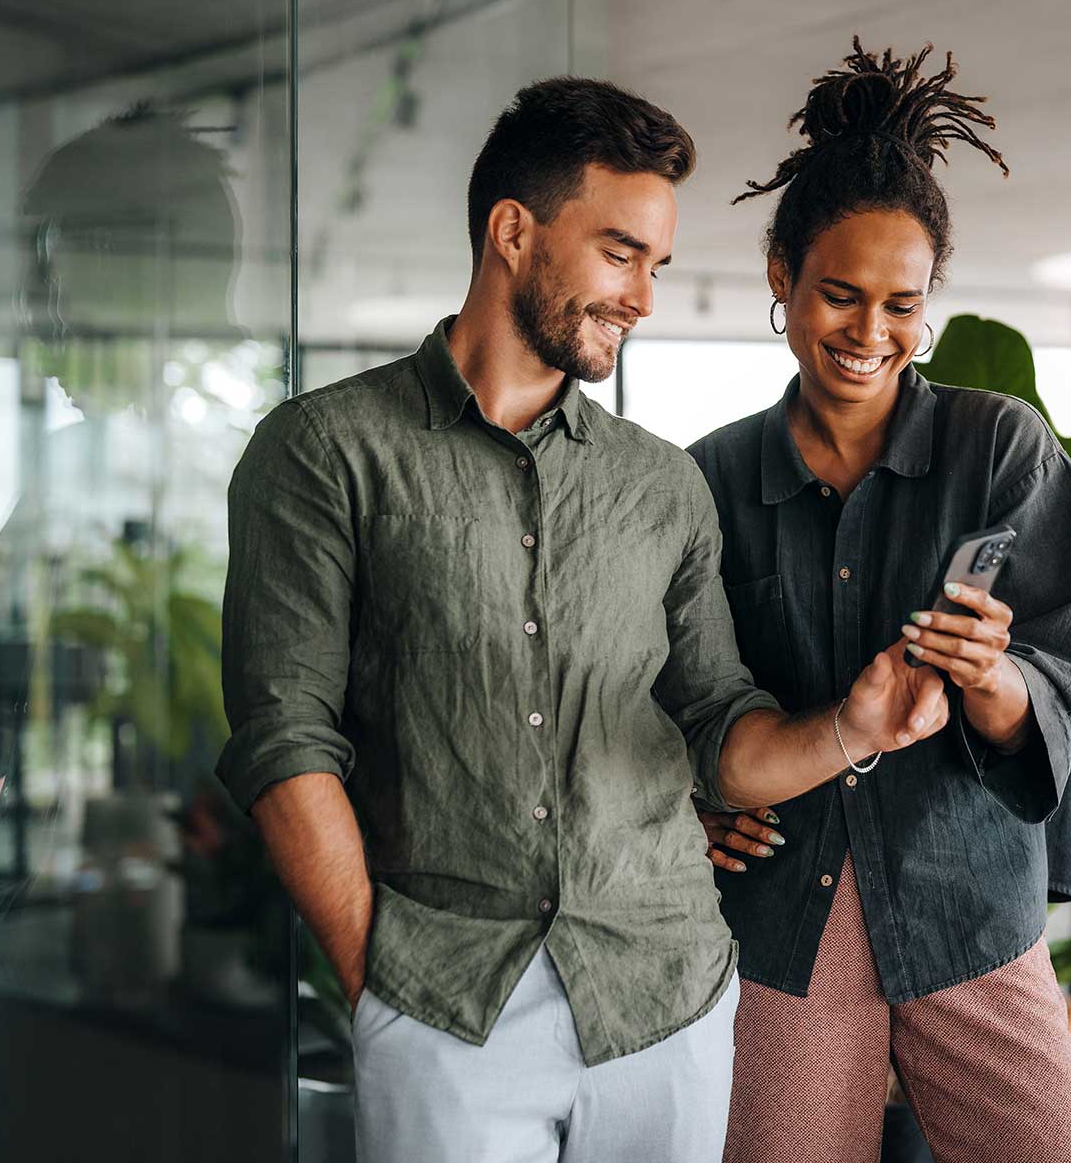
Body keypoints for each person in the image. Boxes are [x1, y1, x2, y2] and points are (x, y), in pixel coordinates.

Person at [215, 77, 952, 1163]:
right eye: (620, 254)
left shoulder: (661, 486)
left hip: (666, 999)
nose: (643, 297)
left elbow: (715, 725)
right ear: (514, 232)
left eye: (657, 265)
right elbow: (284, 735)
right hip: (442, 1006)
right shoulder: (326, 450)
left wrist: (857, 727)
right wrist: (375, 978)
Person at [691, 41, 1071, 1163]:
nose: (870, 332)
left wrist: (991, 678)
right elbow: (672, 698)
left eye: (901, 305)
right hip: (786, 913)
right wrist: (697, 803)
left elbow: (1063, 678)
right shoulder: (710, 480)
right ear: (781, 274)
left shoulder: (1000, 449)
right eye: (839, 294)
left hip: (967, 900)